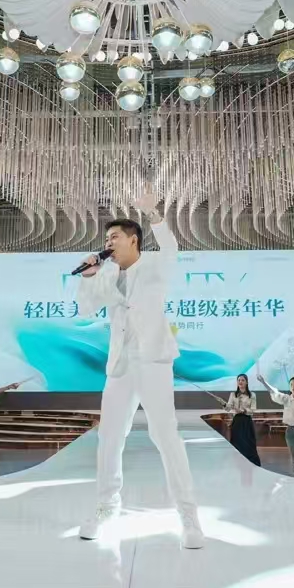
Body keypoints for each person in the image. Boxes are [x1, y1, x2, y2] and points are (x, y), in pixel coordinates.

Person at [73, 191, 203, 549]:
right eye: (106, 239)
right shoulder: (107, 273)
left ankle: (188, 515)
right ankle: (106, 506)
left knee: (165, 435)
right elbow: (85, 309)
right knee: (109, 436)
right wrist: (89, 276)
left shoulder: (156, 266)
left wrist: (154, 213)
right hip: (120, 364)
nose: (108, 243)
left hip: (153, 360)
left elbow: (171, 246)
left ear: (133, 240)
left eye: (114, 237)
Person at [258, 374, 294, 480]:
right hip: (290, 432)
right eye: (291, 385)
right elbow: (275, 392)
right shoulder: (287, 399)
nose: (293, 387)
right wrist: (264, 382)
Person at [224, 374, 261, 467]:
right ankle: (238, 465)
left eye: (242, 380)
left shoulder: (252, 395)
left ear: (247, 382)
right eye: (239, 380)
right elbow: (228, 408)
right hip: (237, 422)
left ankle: (251, 465)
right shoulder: (233, 394)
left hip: (247, 421)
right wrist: (225, 405)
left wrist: (244, 410)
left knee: (249, 444)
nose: (240, 382)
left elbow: (253, 409)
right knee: (237, 444)